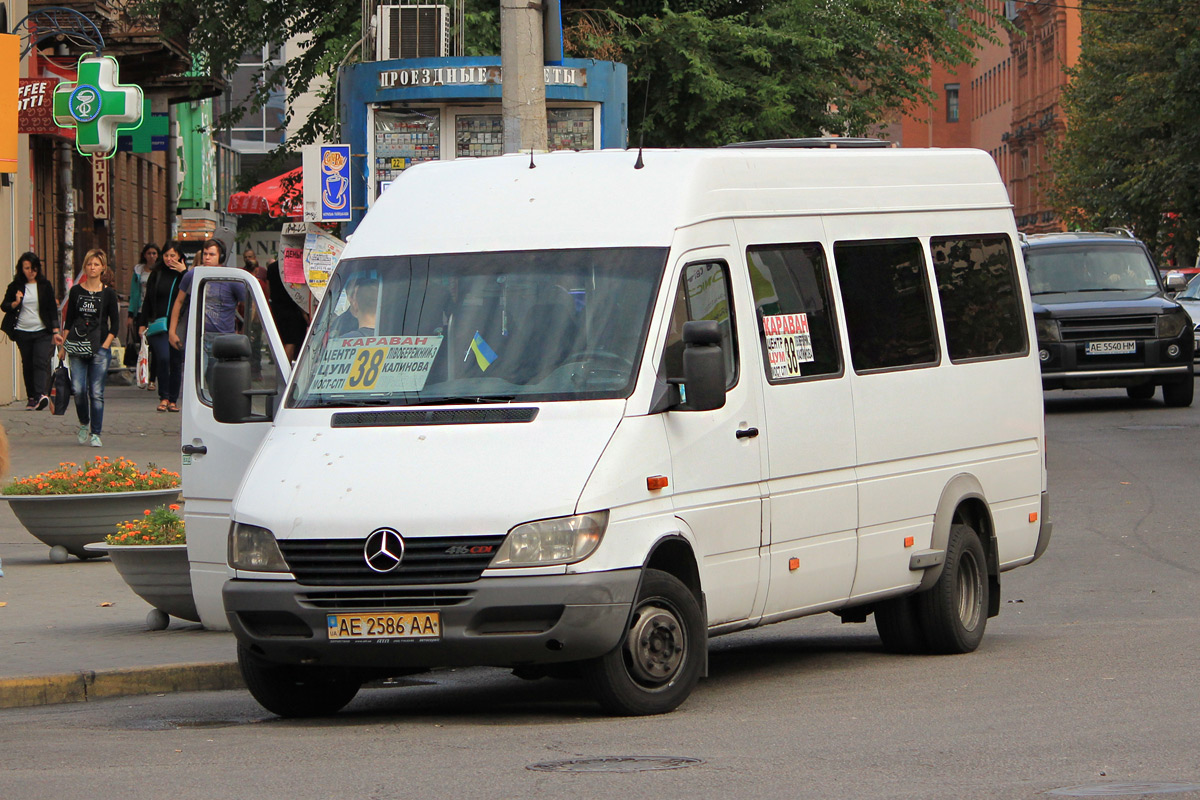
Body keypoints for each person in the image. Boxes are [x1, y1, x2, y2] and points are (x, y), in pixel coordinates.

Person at [168, 239, 245, 390]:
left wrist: (244, 330)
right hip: (199, 335)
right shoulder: (192, 276)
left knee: (219, 383)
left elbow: (247, 304)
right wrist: (172, 331)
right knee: (196, 381)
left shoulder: (231, 279)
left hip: (223, 336)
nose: (207, 258)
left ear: (221, 257)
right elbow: (178, 302)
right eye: (205, 254)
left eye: (212, 254)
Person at [63, 249, 120, 447]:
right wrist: (63, 345)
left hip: (99, 348)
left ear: (103, 267)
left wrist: (104, 346)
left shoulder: (108, 293)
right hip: (77, 345)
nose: (92, 268)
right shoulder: (77, 291)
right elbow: (68, 320)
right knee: (78, 389)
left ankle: (96, 432)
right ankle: (83, 423)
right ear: (84, 267)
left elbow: (115, 325)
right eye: (89, 264)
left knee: (96, 392)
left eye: (96, 264)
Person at [1, 252, 63, 410]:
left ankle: (41, 394)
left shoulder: (44, 285)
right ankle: (32, 398)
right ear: (21, 269)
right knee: (27, 364)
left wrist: (56, 331)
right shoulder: (15, 286)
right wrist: (15, 303)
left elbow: (51, 308)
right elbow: (4, 306)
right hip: (22, 331)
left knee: (40, 361)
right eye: (27, 268)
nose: (30, 271)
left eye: (33, 268)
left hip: (42, 330)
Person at [137, 241, 188, 412]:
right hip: (158, 325)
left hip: (178, 325)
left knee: (175, 361)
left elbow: (192, 294)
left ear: (180, 257)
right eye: (166, 255)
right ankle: (163, 397)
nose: (169, 259)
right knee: (163, 358)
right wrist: (142, 323)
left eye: (173, 255)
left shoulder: (184, 276)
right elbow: (147, 301)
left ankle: (173, 399)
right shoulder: (156, 274)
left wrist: (184, 273)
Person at [266, 255, 310, 362]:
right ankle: (286, 370)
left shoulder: (271, 268)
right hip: (293, 308)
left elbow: (268, 290)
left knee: (284, 340)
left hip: (277, 307)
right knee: (291, 341)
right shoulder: (295, 266)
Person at [126, 243, 158, 375]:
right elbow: (134, 293)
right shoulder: (139, 271)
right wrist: (130, 314)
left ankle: (153, 375)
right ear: (144, 255)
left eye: (154, 253)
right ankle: (144, 371)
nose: (151, 256)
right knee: (143, 343)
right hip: (140, 311)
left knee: (155, 344)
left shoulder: (160, 270)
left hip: (155, 312)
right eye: (149, 253)